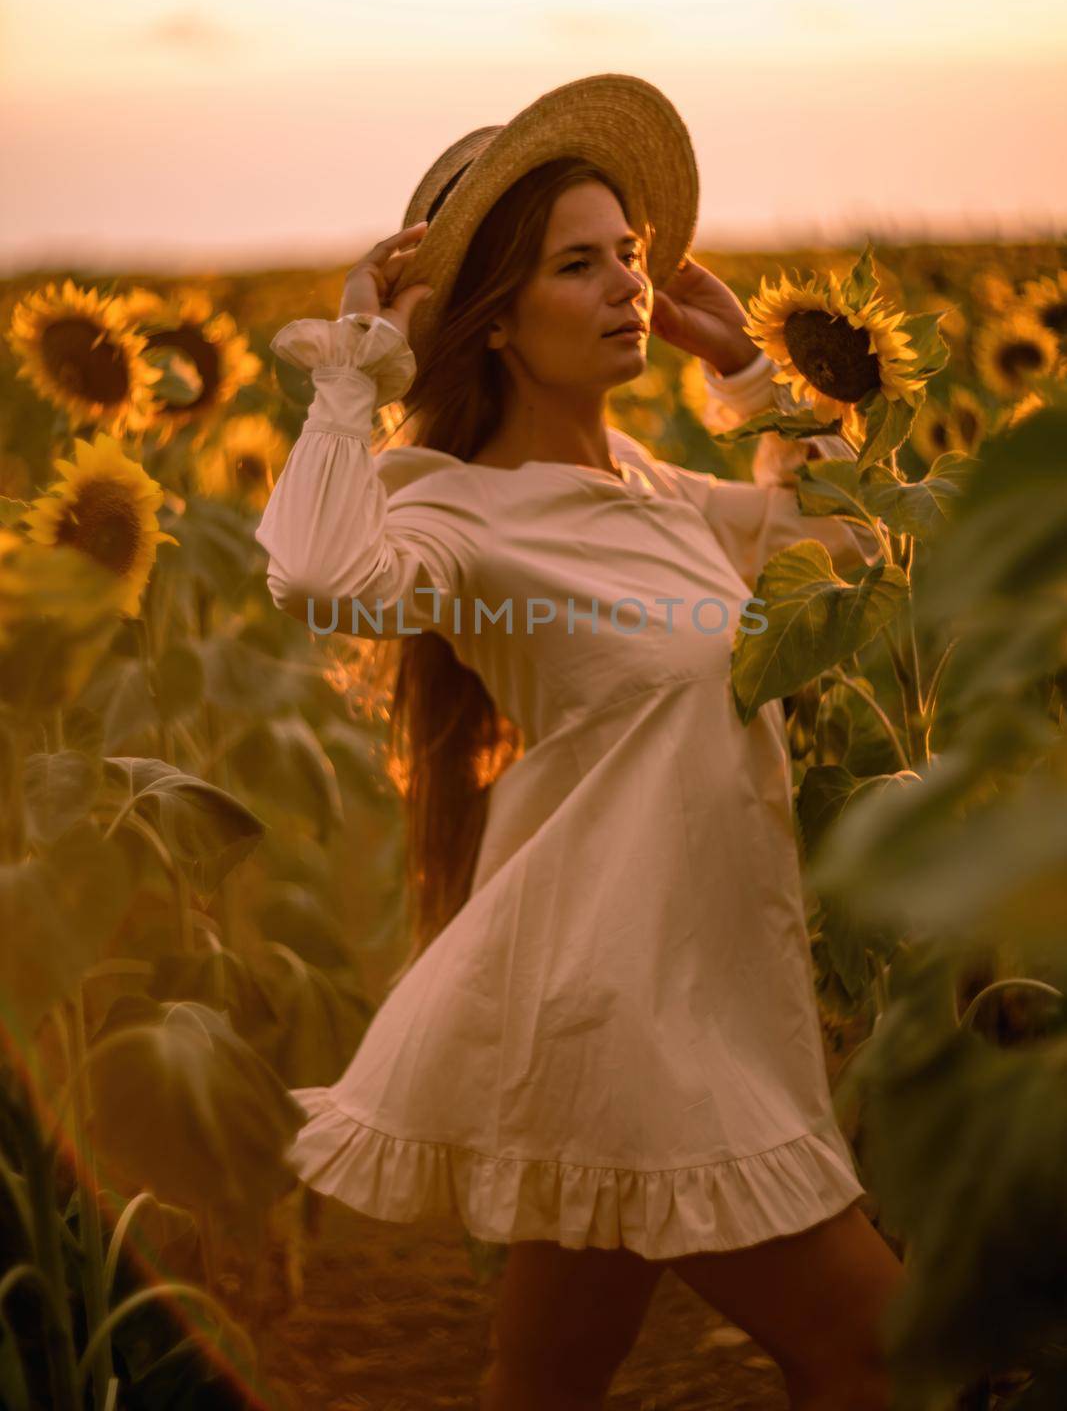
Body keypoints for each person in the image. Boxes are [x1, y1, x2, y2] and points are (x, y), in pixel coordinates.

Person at [254, 74, 906, 1411]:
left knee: (545, 1379)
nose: (625, 287)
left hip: (687, 992)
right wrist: (356, 365)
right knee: (876, 1348)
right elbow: (318, 574)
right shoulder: (460, 515)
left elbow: (849, 550)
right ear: (492, 321)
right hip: (633, 1022)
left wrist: (746, 374)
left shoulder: (670, 499)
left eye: (630, 256)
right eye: (576, 265)